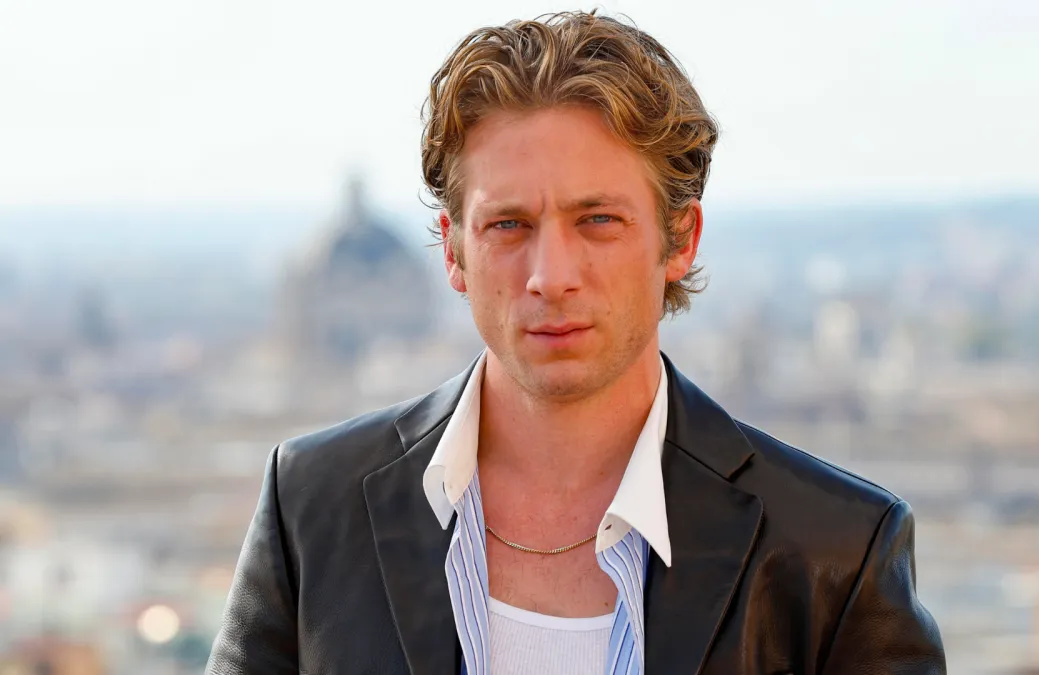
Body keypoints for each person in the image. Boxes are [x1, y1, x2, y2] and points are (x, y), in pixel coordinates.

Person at [206, 11, 945, 675]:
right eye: (508, 225)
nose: (550, 276)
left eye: (597, 221)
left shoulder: (836, 554)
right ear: (453, 251)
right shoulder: (312, 508)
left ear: (681, 238)